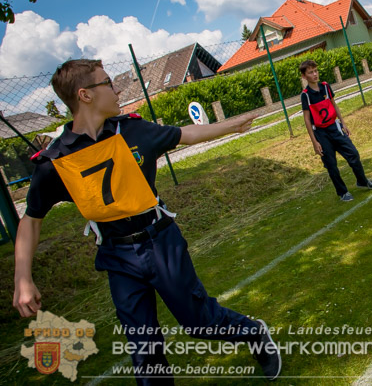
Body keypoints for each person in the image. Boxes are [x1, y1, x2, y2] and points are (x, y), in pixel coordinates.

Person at [12, 59, 281, 384]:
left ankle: (254, 334)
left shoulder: (134, 129)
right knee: (144, 348)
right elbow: (31, 220)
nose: (117, 89)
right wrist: (22, 279)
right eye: (108, 83)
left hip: (161, 242)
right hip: (117, 256)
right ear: (84, 95)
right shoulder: (55, 161)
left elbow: (186, 134)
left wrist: (232, 125)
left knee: (200, 322)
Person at [300, 59, 372, 201]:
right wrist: (314, 142)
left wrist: (343, 123)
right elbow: (307, 119)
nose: (315, 74)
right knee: (331, 165)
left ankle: (362, 181)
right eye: (311, 72)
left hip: (334, 127)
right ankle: (342, 192)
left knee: (353, 153)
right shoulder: (305, 95)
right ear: (304, 76)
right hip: (321, 133)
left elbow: (334, 105)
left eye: (315, 71)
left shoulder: (325, 87)